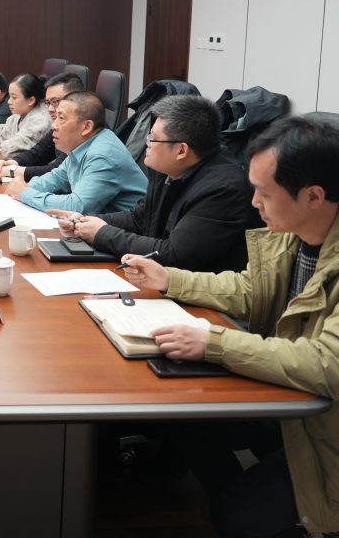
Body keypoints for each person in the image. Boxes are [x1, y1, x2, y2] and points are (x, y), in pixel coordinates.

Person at [122, 116, 339, 538]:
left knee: (238, 518)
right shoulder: (295, 234)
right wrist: (169, 279)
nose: (254, 202)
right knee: (183, 411)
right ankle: (250, 499)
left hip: (325, 426)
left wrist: (214, 342)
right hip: (294, 400)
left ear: (313, 196)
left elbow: (327, 364)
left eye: (264, 193)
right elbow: (249, 289)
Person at [48, 95, 258, 272]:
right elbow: (139, 218)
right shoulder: (168, 169)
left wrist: (102, 234)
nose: (146, 144)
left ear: (181, 150)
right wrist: (85, 222)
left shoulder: (222, 189)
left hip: (198, 297)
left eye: (152, 139)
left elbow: (175, 255)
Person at [9, 91, 146, 214]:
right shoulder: (83, 145)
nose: (53, 125)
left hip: (126, 231)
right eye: (55, 118)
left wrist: (26, 193)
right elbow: (55, 179)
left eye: (61, 118)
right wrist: (24, 187)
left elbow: (77, 206)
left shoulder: (102, 156)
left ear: (86, 127)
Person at [0, 72, 84, 180]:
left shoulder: (79, 131)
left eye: (55, 102)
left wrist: (12, 171)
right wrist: (12, 163)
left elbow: (57, 171)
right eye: (48, 102)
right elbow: (39, 152)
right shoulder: (58, 125)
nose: (50, 109)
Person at [0, 73, 50, 157]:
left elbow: (18, 146)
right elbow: (1, 132)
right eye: (9, 97)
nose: (9, 101)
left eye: (14, 97)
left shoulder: (41, 119)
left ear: (31, 100)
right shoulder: (18, 115)